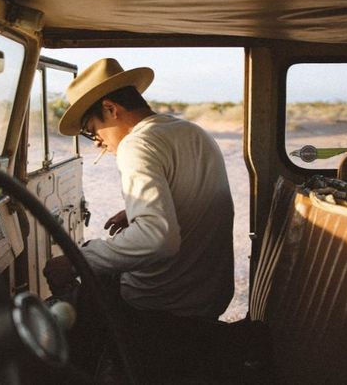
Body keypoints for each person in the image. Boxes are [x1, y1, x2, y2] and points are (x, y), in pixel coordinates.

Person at [43, 58, 235, 379]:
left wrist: (75, 261)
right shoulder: (189, 131)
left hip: (162, 307)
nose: (99, 143)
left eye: (93, 132)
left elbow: (158, 239)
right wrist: (136, 213)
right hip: (209, 295)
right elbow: (196, 200)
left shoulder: (137, 144)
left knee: (71, 319)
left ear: (111, 108)